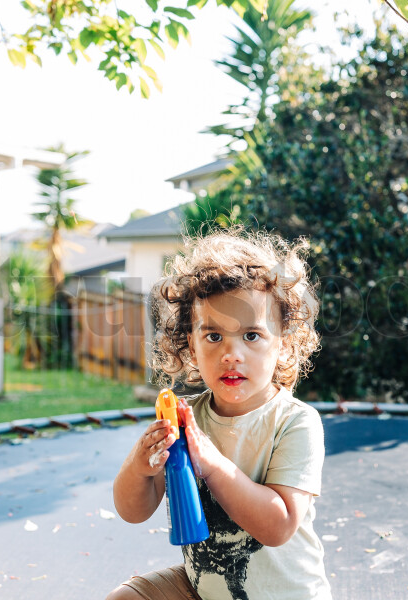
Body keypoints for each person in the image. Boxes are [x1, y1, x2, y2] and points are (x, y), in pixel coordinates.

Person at [106, 229, 331, 600]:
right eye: (213, 337)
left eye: (252, 336)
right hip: (204, 587)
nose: (231, 354)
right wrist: (140, 467)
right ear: (190, 347)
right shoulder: (184, 418)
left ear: (284, 345)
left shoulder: (294, 422)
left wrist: (210, 463)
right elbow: (133, 511)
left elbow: (278, 525)